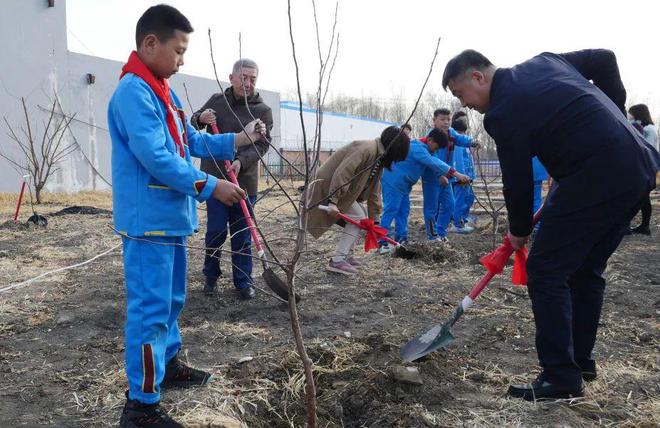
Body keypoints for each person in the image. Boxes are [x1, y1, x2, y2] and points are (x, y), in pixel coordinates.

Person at [443, 48, 658, 401]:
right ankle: (579, 363)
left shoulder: (502, 111)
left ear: (478, 77)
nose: (466, 104)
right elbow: (604, 58)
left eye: (461, 94)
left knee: (545, 270)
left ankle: (560, 376)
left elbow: (517, 178)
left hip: (596, 175)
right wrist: (614, 115)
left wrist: (519, 229)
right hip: (637, 167)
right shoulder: (546, 62)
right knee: (585, 269)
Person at [108, 5, 266, 427]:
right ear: (150, 43)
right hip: (148, 224)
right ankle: (140, 406)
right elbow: (157, 157)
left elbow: (190, 139)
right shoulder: (133, 92)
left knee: (173, 300)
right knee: (150, 310)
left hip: (171, 219)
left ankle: (170, 364)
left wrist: (238, 138)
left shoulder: (162, 89)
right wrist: (213, 186)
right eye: (178, 51)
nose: (182, 60)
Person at [192, 59, 273, 299]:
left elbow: (263, 144)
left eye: (253, 79)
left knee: (242, 234)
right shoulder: (218, 102)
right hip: (216, 181)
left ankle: (243, 281)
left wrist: (242, 162)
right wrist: (200, 118)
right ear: (232, 77)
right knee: (215, 231)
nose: (248, 83)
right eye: (244, 78)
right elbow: (192, 122)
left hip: (245, 182)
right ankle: (211, 276)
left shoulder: (262, 111)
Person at [305, 126, 410, 274]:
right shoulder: (366, 149)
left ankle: (347, 255)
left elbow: (375, 189)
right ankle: (337, 261)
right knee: (359, 219)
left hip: (344, 192)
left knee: (363, 216)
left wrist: (375, 221)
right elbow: (343, 173)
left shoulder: (378, 156)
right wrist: (333, 201)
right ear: (394, 148)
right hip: (328, 187)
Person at [380, 128, 471, 251]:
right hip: (393, 182)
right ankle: (382, 242)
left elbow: (434, 163)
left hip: (404, 185)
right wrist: (457, 174)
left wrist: (443, 176)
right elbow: (433, 162)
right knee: (391, 209)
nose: (436, 150)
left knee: (403, 211)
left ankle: (401, 239)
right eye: (436, 147)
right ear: (430, 140)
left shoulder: (427, 149)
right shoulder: (417, 147)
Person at [422, 108, 477, 241]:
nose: (446, 122)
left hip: (447, 176)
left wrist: (471, 142)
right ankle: (432, 236)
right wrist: (439, 176)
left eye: (448, 119)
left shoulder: (451, 133)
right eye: (442, 119)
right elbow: (430, 161)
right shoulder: (430, 138)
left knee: (449, 204)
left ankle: (441, 233)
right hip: (432, 178)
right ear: (434, 121)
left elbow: (461, 139)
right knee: (431, 208)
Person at [627, 104, 658, 235]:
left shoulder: (649, 129)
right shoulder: (649, 128)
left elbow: (648, 147)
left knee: (639, 197)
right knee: (643, 197)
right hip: (647, 165)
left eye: (632, 114)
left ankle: (641, 226)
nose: (631, 117)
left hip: (646, 165)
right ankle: (643, 226)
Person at [450, 113, 477, 229]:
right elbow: (459, 161)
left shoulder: (465, 143)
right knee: (460, 200)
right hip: (461, 178)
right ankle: (457, 223)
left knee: (469, 198)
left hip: (467, 177)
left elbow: (469, 160)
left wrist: (472, 175)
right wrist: (461, 177)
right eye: (461, 133)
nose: (463, 135)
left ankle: (463, 219)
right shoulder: (457, 144)